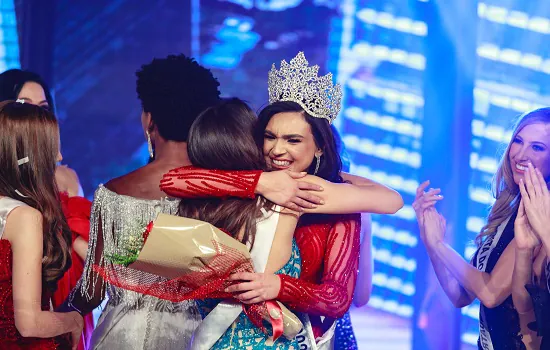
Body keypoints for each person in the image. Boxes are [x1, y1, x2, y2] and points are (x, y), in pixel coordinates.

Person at [161, 52, 403, 348]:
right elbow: (171, 180)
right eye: (269, 137)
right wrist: (261, 182)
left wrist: (278, 285)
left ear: (319, 147)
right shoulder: (247, 184)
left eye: (293, 140)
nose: (277, 149)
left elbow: (338, 298)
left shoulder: (332, 201)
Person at [57, 54, 224, 349]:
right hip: (195, 337)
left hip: (120, 337)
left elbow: (92, 290)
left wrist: (55, 316)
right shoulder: (217, 190)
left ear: (150, 120)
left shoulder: (113, 192)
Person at [413, 107, 550, 349]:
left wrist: (439, 245)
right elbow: (459, 294)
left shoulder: (541, 218)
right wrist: (430, 238)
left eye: (537, 147)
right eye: (518, 141)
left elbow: (490, 294)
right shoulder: (510, 207)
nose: (520, 154)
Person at [0, 68, 93, 349]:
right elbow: (28, 323)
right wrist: (72, 322)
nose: (60, 156)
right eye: (50, 146)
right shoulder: (25, 217)